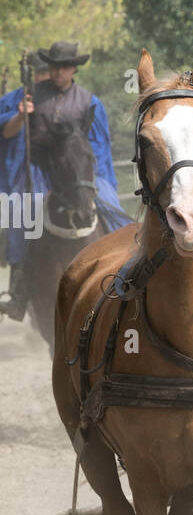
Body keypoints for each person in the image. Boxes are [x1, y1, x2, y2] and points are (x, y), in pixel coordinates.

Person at [0, 41, 130, 319]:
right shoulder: (30, 96)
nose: (58, 72)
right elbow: (8, 134)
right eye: (55, 67)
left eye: (64, 67)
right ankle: (20, 290)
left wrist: (90, 175)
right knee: (24, 216)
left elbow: (99, 147)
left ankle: (126, 272)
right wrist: (22, 115)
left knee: (112, 208)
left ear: (73, 69)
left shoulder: (89, 101)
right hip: (39, 170)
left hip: (78, 172)